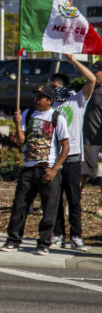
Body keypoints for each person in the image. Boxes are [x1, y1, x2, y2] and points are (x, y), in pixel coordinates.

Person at [0, 85, 70, 255]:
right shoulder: (28, 114)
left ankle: (44, 243)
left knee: (49, 208)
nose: (37, 100)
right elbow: (20, 142)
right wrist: (17, 125)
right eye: (36, 96)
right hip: (28, 169)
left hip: (47, 169)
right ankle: (13, 240)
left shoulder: (57, 118)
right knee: (20, 205)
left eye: (41, 97)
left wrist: (54, 169)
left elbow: (65, 147)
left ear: (50, 100)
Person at [49, 54, 94, 252]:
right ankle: (58, 234)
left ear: (64, 87)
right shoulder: (51, 104)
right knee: (56, 198)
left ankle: (76, 236)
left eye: (56, 87)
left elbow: (91, 79)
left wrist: (73, 61)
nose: (52, 90)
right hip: (54, 158)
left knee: (74, 199)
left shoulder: (77, 100)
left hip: (74, 157)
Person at [81, 60, 102, 216]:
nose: (94, 74)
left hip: (99, 142)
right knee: (81, 174)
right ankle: (71, 204)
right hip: (85, 141)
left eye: (97, 71)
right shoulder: (91, 90)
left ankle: (101, 207)